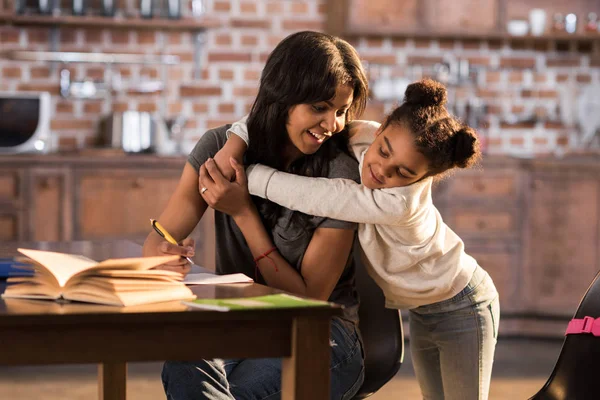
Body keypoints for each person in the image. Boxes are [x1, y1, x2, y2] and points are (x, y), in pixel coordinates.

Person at [209, 78, 500, 400]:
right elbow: (276, 120)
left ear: (424, 179)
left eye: (403, 173)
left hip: (462, 304)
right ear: (380, 128)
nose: (383, 170)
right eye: (384, 150)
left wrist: (244, 175)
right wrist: (236, 139)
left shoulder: (398, 203)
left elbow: (321, 196)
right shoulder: (361, 133)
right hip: (423, 307)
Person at [142, 30, 369, 400]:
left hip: (324, 333)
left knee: (240, 393)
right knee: (184, 357)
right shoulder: (220, 147)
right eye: (319, 108)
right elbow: (157, 242)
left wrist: (243, 213)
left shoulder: (339, 174)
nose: (332, 125)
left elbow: (308, 301)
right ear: (282, 98)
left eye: (341, 111)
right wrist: (163, 259)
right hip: (243, 325)